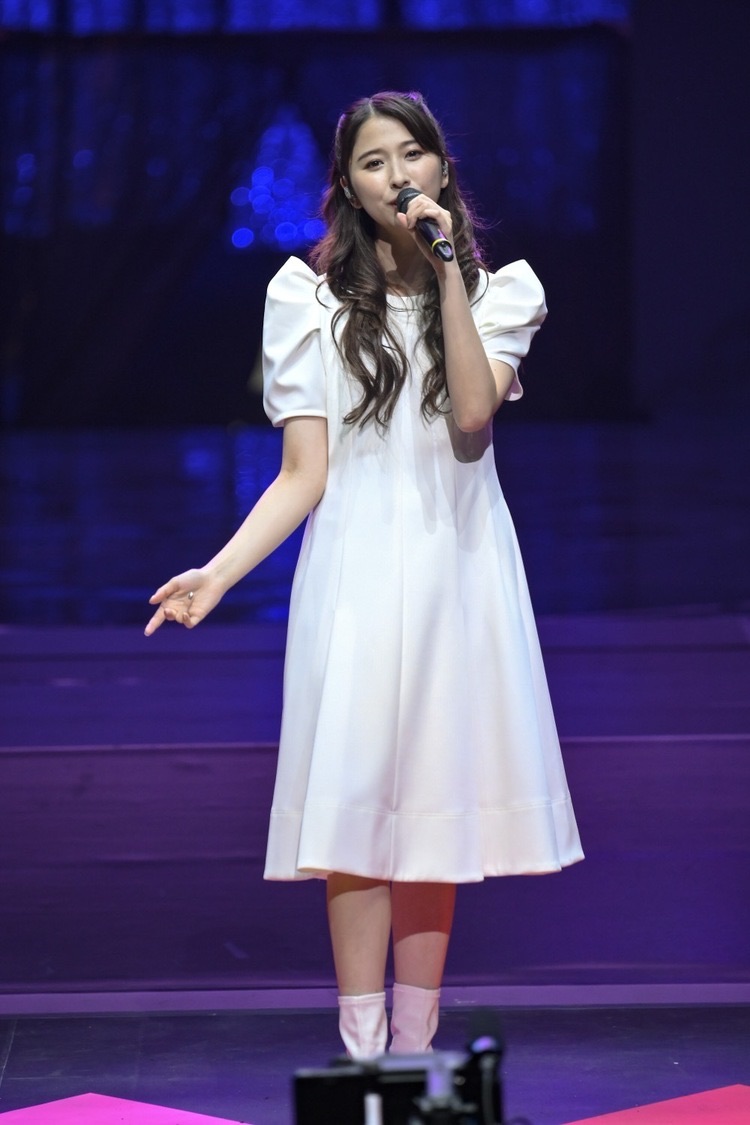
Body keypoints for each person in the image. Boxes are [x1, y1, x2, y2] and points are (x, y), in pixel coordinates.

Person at [145, 90, 583, 1060]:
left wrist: (448, 272)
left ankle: (416, 1054)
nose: (397, 175)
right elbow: (304, 474)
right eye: (373, 162)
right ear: (348, 187)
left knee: (433, 819)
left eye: (411, 156)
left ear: (442, 171)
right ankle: (362, 1054)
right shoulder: (307, 302)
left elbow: (472, 414)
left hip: (458, 575)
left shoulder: (502, 293)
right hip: (355, 579)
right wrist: (218, 573)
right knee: (356, 818)